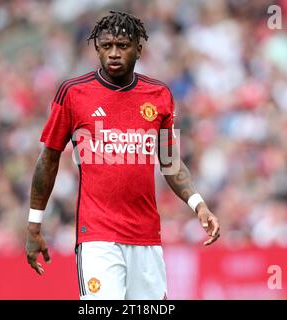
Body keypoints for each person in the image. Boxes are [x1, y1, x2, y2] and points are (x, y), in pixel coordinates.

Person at [25, 11, 220, 300]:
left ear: (139, 48)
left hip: (147, 238)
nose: (114, 53)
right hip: (97, 238)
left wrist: (199, 205)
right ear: (97, 49)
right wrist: (34, 224)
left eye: (122, 45)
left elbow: (170, 162)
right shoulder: (73, 93)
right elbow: (48, 159)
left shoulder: (159, 95)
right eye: (106, 46)